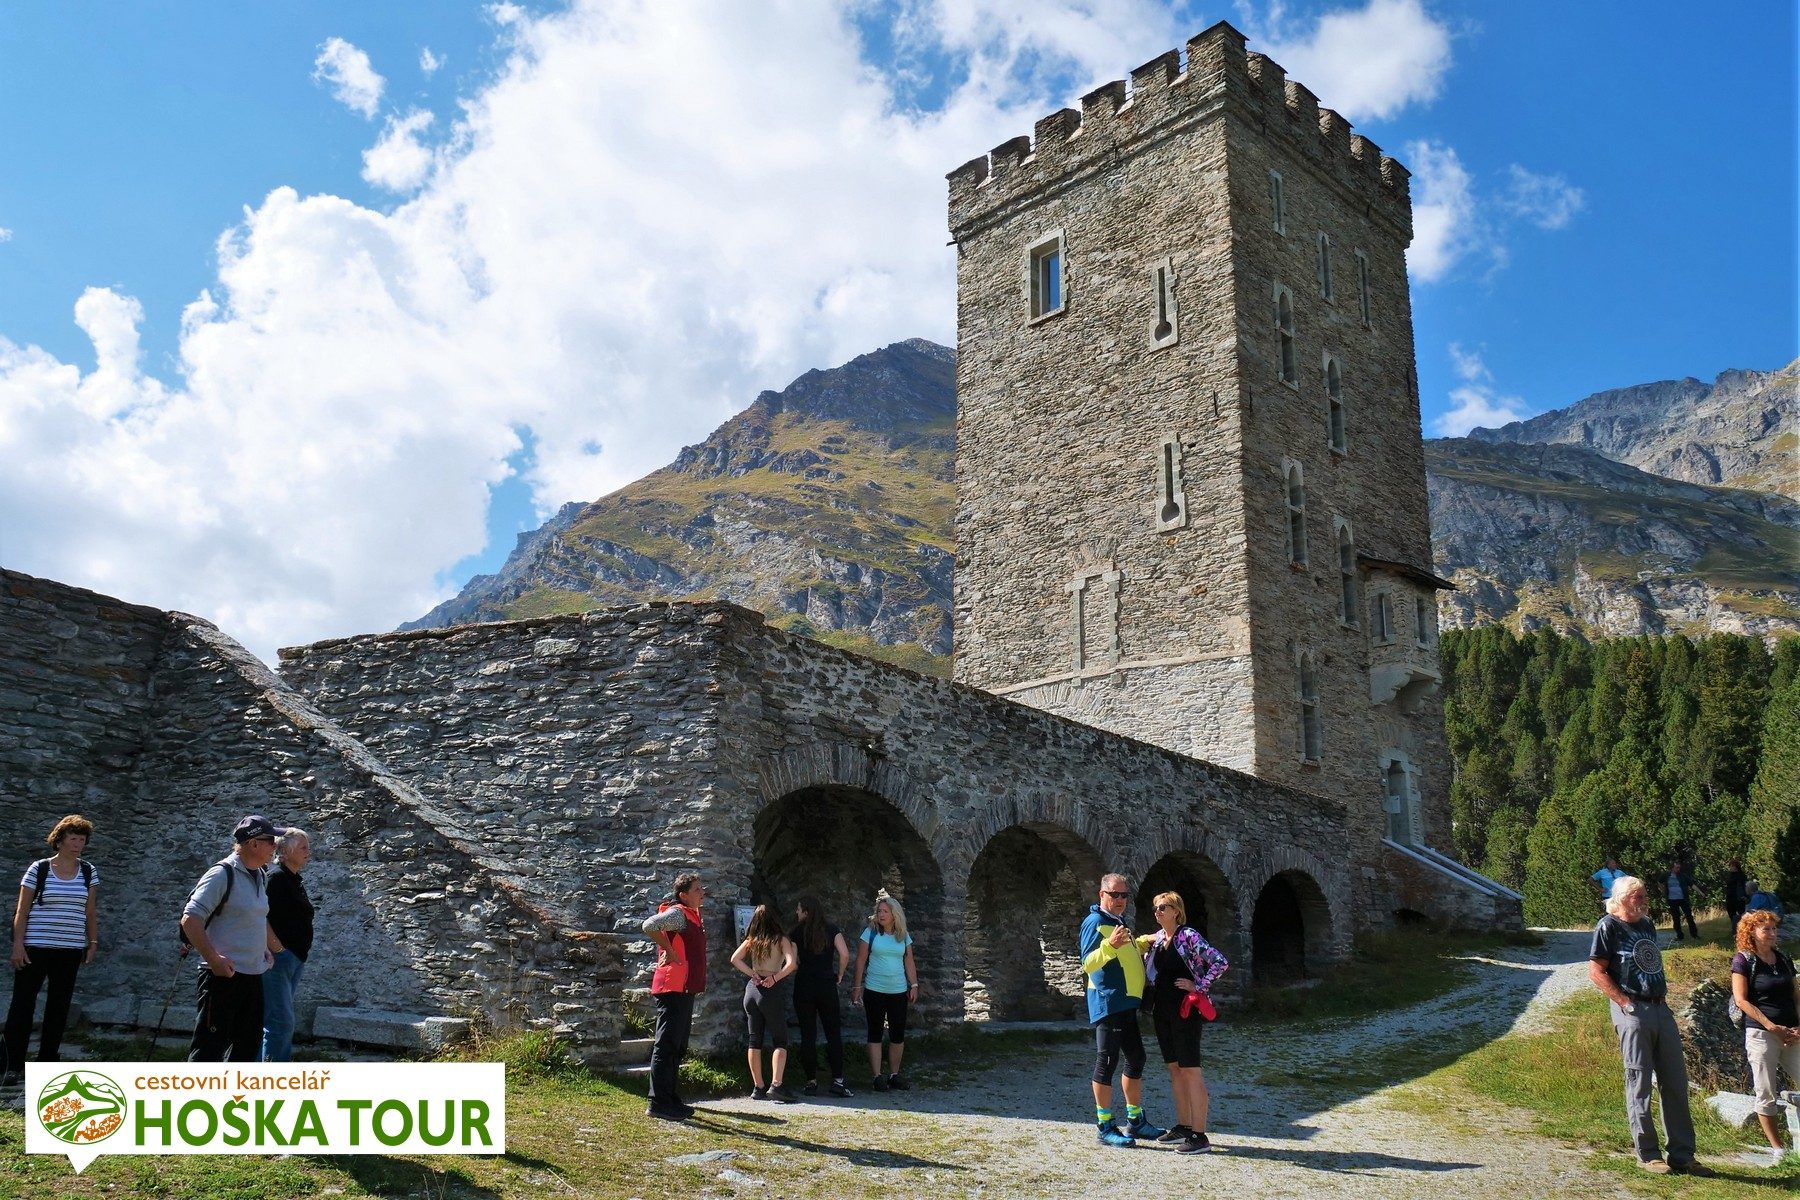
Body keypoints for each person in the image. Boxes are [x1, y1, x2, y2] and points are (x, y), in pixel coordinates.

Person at [1587, 875, 1696, 1174]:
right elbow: (1596, 971)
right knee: (1639, 1082)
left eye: (1644, 895)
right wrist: (1624, 1002)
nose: (1645, 900)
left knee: (1675, 1081)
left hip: (1660, 1007)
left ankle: (1682, 1155)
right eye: (1639, 896)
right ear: (1622, 899)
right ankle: (1648, 1154)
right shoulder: (1608, 926)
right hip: (1632, 1009)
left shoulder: (1647, 924)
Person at [3, 815, 99, 1078]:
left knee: (59, 1007)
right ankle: (12, 1065)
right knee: (22, 1005)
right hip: (35, 947)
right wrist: (18, 945)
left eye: (82, 840)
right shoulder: (39, 869)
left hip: (69, 949)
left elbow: (90, 912)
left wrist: (92, 942)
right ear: (59, 840)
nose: (77, 844)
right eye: (73, 839)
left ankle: (46, 1062)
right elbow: (21, 911)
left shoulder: (88, 871)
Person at [181, 815, 281, 1062]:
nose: (275, 846)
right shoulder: (221, 873)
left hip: (252, 976)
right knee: (208, 1053)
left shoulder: (261, 875)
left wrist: (262, 948)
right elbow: (190, 919)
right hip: (221, 978)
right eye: (271, 841)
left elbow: (253, 918)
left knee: (245, 1052)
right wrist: (214, 959)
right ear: (253, 843)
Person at [1079, 873, 1166, 1148]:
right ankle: (1104, 1126)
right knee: (1107, 1062)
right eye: (1114, 894)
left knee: (1137, 1059)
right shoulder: (1095, 922)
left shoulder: (1118, 921)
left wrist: (1142, 942)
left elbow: (1124, 954)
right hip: (1108, 1003)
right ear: (1101, 895)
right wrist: (1109, 945)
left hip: (1126, 1003)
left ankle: (1135, 1121)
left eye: (1124, 895)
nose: (1119, 900)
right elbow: (1087, 963)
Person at [1140, 891, 1229, 1154]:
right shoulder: (1158, 939)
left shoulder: (1187, 936)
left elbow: (1220, 962)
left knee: (1191, 1070)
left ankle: (1200, 1136)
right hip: (1162, 1011)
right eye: (1155, 908)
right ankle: (1183, 1126)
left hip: (1185, 1011)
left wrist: (1198, 985)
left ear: (1176, 911)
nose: (1157, 912)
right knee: (1175, 1069)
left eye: (1163, 907)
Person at [1730, 910, 1800, 1167]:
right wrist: (1772, 1027)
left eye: (1774, 928)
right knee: (1766, 1091)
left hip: (1792, 1033)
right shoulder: (1743, 960)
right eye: (1766, 929)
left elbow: (1796, 996)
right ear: (1751, 932)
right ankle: (1778, 1150)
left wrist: (1798, 1026)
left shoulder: (1783, 959)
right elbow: (1741, 1000)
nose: (1772, 933)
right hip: (1761, 1033)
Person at [641, 872, 706, 1122]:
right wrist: (668, 949)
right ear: (683, 895)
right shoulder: (678, 913)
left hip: (684, 989)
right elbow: (649, 925)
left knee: (677, 1047)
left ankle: (669, 1097)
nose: (702, 892)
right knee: (666, 1045)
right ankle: (657, 1102)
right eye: (697, 889)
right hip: (672, 987)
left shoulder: (692, 915)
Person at [730, 904, 798, 1102]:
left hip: (752, 990)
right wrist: (775, 978)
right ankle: (776, 1084)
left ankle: (758, 1087)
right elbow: (791, 964)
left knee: (754, 1040)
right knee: (780, 1039)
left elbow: (735, 959)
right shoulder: (781, 939)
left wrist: (752, 973)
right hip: (770, 990)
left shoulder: (752, 939)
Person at [852, 889, 917, 1092]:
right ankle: (877, 1077)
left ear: (894, 914)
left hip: (898, 990)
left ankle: (894, 1075)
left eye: (885, 911)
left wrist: (914, 985)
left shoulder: (903, 935)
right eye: (879, 911)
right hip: (875, 989)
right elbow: (860, 960)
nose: (881, 915)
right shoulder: (870, 933)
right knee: (875, 1032)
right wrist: (857, 987)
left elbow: (909, 960)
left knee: (897, 1034)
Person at [791, 896, 853, 1097]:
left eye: (799, 909)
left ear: (806, 911)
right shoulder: (832, 929)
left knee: (808, 1034)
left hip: (804, 985)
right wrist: (840, 974)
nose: (796, 912)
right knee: (833, 1032)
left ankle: (811, 1081)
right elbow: (844, 954)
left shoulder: (796, 932)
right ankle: (837, 1080)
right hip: (826, 983)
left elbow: (793, 962)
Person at [261, 827, 313, 1061]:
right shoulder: (276, 878)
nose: (308, 852)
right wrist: (278, 949)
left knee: (273, 1019)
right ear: (285, 851)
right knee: (281, 1022)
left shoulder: (293, 879)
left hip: (294, 959)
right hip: (279, 960)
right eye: (303, 847)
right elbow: (259, 916)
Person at [1663, 859, 1698, 942]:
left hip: (1683, 899)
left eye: (1679, 868)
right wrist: (1664, 891)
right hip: (1672, 900)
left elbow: (1692, 884)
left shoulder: (1682, 876)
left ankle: (1694, 934)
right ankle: (1679, 935)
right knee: (1676, 918)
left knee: (1689, 916)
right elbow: (1659, 882)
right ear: (1672, 868)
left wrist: (1700, 892)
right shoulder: (1666, 875)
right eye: (1676, 867)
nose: (1678, 869)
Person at [1724, 859, 1749, 933]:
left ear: (1736, 867)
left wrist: (1745, 896)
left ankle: (1743, 929)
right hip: (1730, 897)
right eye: (1730, 866)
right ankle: (1735, 929)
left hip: (1738, 898)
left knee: (1741, 914)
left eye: (1732, 866)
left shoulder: (1741, 876)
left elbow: (1745, 886)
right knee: (1731, 913)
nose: (1731, 867)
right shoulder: (1729, 876)